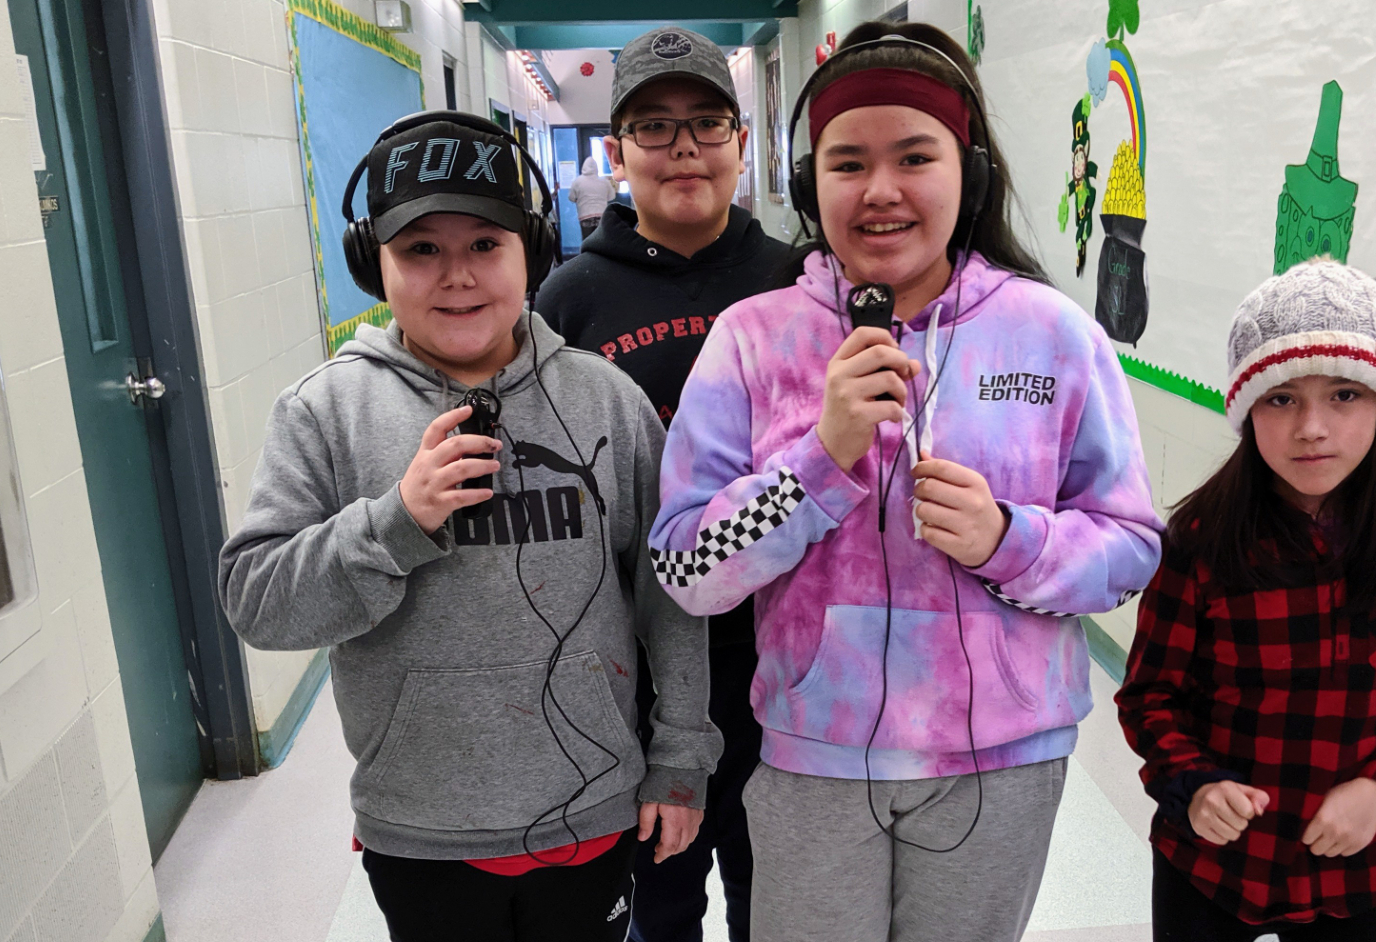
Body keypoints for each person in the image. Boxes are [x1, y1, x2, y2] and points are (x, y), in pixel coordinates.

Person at [650, 22, 1164, 942]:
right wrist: (819, 460)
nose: (880, 191)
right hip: (815, 760)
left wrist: (1012, 540)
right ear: (813, 184)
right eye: (847, 162)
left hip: (1001, 761)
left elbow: (1128, 555)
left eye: (914, 156)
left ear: (967, 174)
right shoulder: (753, 338)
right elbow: (688, 567)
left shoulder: (1051, 334)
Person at [217, 111, 721, 942]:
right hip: (421, 828)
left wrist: (679, 758)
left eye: (484, 244)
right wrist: (394, 522)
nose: (456, 275)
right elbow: (259, 606)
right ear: (369, 264)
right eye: (420, 249)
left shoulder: (606, 401)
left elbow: (668, 595)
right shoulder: (325, 413)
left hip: (592, 807)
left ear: (534, 252)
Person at [1115, 260, 1376, 942]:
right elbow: (1149, 696)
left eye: (1344, 395)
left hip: (1350, 861)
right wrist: (1195, 783)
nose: (1311, 428)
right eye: (1280, 398)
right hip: (1213, 861)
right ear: (1246, 408)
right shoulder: (1201, 536)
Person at [537, 26, 791, 942]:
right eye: (654, 126)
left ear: (739, 141)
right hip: (639, 669)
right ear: (617, 152)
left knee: (779, 900)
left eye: (706, 123)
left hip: (784, 657)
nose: (683, 146)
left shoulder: (794, 280)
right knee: (661, 903)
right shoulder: (569, 299)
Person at [569, 156, 617, 242]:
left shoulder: (577, 181)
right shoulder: (604, 181)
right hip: (602, 215)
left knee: (587, 241)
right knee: (601, 241)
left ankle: (588, 255)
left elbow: (571, 198)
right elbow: (612, 197)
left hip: (585, 216)